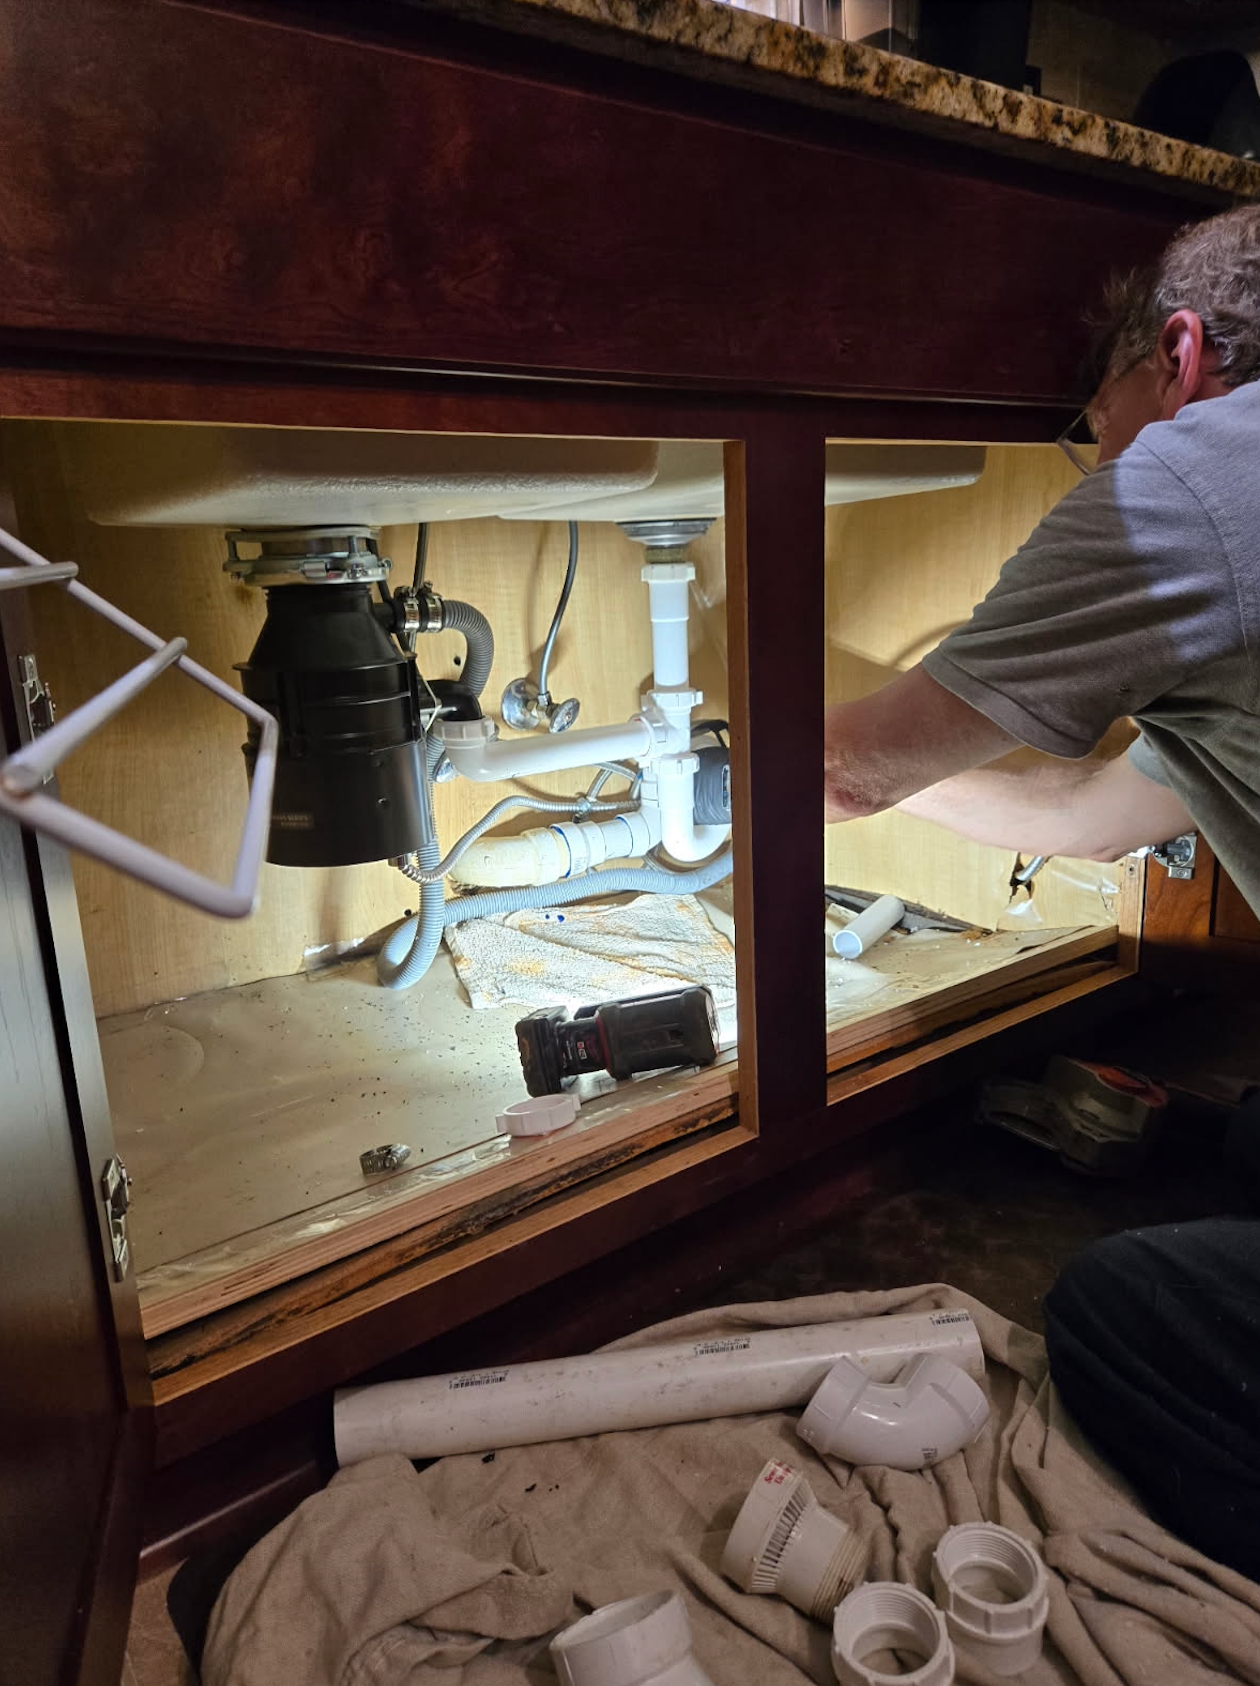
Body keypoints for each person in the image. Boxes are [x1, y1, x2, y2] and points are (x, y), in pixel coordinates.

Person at [823, 202, 1260, 1581]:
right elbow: (1092, 816)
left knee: (1117, 1312)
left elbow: (846, 766)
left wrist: (769, 743)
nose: (1103, 456)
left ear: (1178, 356)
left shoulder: (1197, 481)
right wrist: (860, 777)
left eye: (1099, 418)